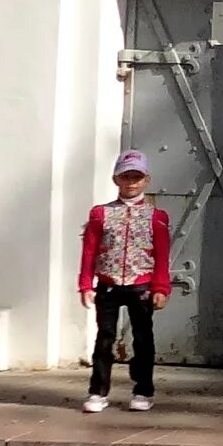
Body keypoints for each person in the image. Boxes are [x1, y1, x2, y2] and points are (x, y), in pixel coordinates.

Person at [79, 150, 172, 412]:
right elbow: (89, 250)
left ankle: (143, 389)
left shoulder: (157, 217)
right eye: (125, 176)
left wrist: (161, 288)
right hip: (108, 284)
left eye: (136, 177)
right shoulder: (100, 214)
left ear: (146, 180)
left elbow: (163, 255)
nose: (131, 182)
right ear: (115, 179)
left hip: (141, 284)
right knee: (105, 337)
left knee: (143, 338)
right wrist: (86, 284)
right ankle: (98, 391)